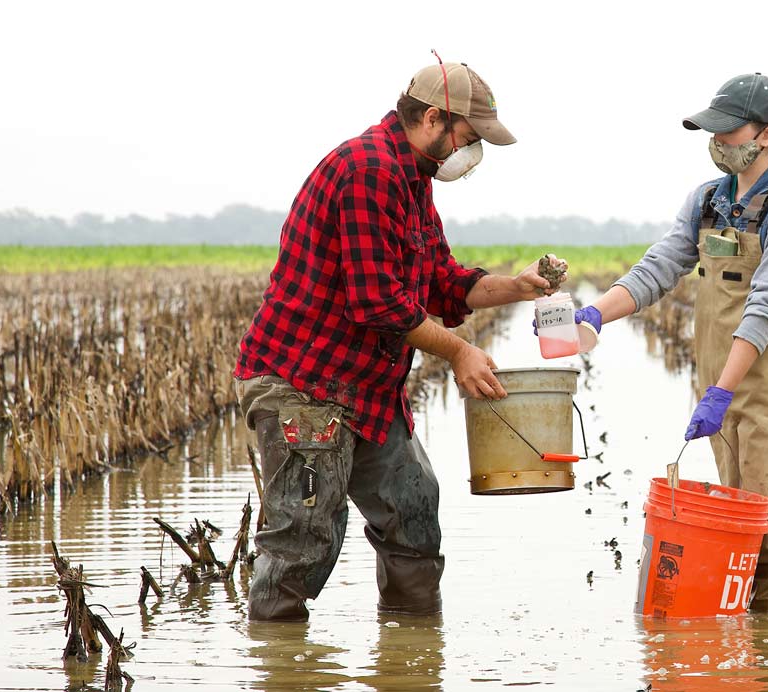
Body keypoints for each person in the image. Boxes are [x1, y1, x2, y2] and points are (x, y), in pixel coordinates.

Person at [234, 55, 562, 621]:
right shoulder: (368, 170)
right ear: (434, 118)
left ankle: (411, 655)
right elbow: (378, 303)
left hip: (364, 390)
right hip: (305, 385)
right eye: (469, 136)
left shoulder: (413, 181)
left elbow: (441, 280)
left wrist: (517, 287)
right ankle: (281, 663)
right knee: (304, 540)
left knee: (413, 505)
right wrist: (459, 351)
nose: (472, 151)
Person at [573, 73, 768, 611]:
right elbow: (660, 266)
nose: (716, 142)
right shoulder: (709, 200)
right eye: (712, 133)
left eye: (728, 132)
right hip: (725, 392)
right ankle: (741, 662)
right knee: (735, 537)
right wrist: (598, 312)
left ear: (766, 135)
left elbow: (766, 308)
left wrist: (720, 391)